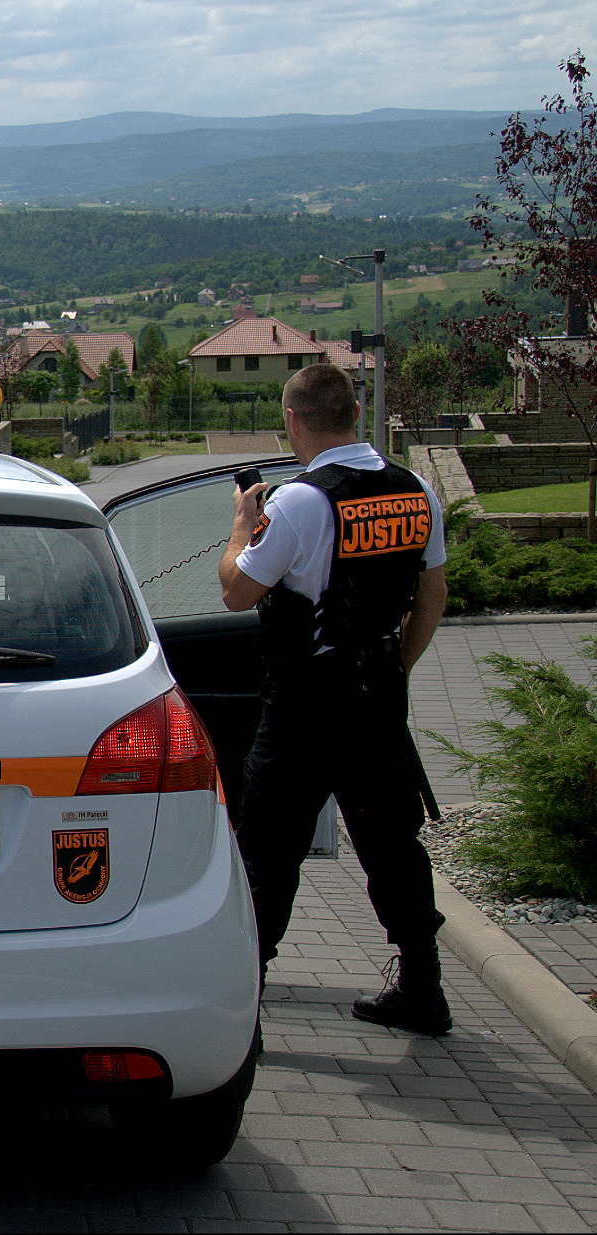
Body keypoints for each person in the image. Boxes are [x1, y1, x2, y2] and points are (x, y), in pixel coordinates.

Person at [217, 361, 452, 1036]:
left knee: (266, 855)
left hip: (303, 710)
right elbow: (431, 594)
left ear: (294, 420)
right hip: (376, 699)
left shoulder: (298, 501)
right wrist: (392, 668)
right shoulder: (415, 492)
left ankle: (244, 1012)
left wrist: (240, 524)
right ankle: (423, 986)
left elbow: (238, 590)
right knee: (393, 845)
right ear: (353, 411)